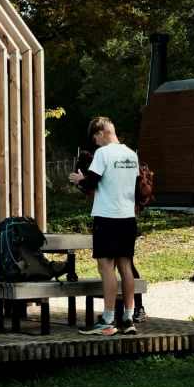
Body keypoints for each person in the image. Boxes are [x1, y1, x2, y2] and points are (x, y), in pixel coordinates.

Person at [69, 117, 141, 335]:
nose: (96, 144)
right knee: (126, 266)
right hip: (128, 217)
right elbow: (134, 185)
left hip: (107, 217)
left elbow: (92, 182)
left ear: (101, 133)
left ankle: (108, 319)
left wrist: (78, 179)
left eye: (95, 138)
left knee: (106, 266)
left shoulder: (103, 153)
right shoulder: (131, 154)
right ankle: (128, 318)